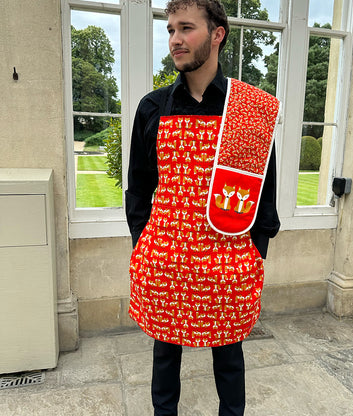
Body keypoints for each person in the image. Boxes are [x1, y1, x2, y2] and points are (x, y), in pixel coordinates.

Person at [126, 1, 280, 415]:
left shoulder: (249, 112)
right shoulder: (153, 108)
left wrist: (254, 257)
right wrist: (146, 246)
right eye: (171, 29)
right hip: (166, 256)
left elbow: (265, 194)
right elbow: (139, 189)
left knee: (229, 357)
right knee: (165, 354)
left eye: (186, 29)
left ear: (217, 35)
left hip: (228, 258)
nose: (175, 39)